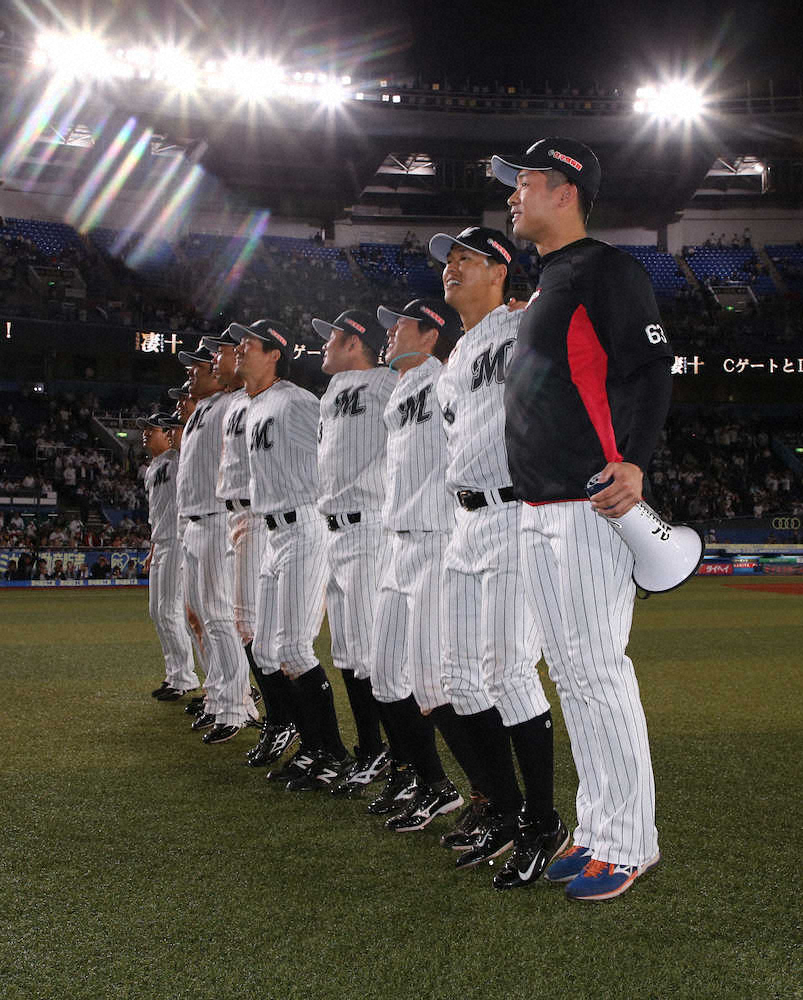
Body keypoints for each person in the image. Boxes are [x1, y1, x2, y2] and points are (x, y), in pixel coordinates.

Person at [491, 136, 673, 900]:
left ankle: (629, 845)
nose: (511, 195)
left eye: (521, 181)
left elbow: (649, 364)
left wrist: (633, 458)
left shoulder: (605, 268)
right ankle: (597, 831)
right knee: (572, 675)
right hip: (540, 505)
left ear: (563, 188)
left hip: (590, 503)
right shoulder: (549, 281)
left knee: (596, 673)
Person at [428, 225, 567, 886]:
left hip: (515, 512)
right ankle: (505, 810)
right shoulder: (455, 356)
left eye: (465, 259)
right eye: (447, 261)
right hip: (466, 521)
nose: (450, 268)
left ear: (499, 271)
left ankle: (543, 823)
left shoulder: (525, 322)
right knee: (458, 677)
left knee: (509, 670)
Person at [368, 297, 481, 832]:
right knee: (386, 677)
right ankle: (430, 784)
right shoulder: (400, 391)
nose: (388, 333)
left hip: (437, 539)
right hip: (397, 544)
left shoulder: (442, 380)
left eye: (399, 326)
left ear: (430, 334)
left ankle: (490, 797)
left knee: (433, 685)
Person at [231, 318, 350, 790]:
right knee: (264, 648)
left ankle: (331, 751)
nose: (240, 349)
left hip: (303, 525)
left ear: (274, 353)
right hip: (272, 532)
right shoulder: (257, 405)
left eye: (249, 344)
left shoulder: (297, 402)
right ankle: (310, 743)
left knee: (295, 648)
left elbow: (332, 455)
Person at [311, 308, 396, 795]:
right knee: (346, 651)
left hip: (370, 528)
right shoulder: (332, 393)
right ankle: (371, 749)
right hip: (334, 531)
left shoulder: (386, 384)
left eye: (333, 337)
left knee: (370, 653)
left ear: (354, 342)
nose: (325, 345)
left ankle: (400, 758)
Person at [175, 343, 255, 744]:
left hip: (216, 518)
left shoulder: (232, 402)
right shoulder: (204, 407)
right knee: (205, 617)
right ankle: (221, 696)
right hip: (195, 523)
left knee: (220, 618)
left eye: (198, 367)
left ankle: (236, 705)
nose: (191, 375)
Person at [138, 412, 199, 701]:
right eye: (145, 430)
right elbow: (157, 513)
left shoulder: (179, 458)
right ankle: (174, 673)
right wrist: (152, 548)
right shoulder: (152, 468)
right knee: (157, 612)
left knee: (170, 610)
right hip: (161, 542)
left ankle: (184, 677)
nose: (146, 434)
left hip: (177, 541)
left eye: (152, 430)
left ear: (168, 434)